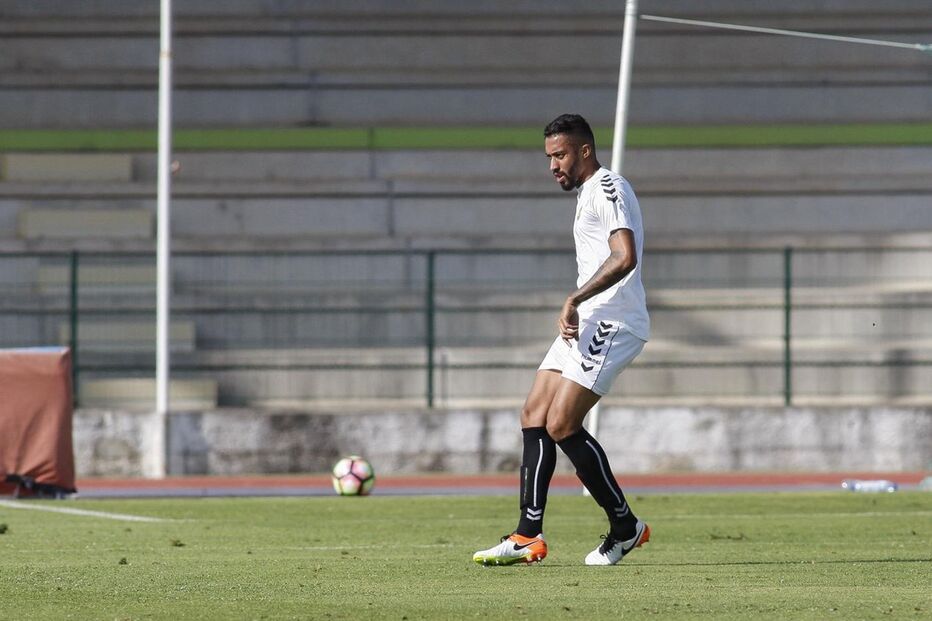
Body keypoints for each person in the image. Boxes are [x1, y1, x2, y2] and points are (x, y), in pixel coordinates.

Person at [473, 113, 650, 566]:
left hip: (612, 321)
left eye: (560, 155)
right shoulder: (587, 193)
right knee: (534, 413)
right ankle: (527, 535)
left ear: (584, 151)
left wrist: (575, 297)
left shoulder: (608, 188)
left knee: (561, 425)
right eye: (549, 157)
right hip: (587, 320)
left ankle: (625, 526)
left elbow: (624, 255)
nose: (553, 165)